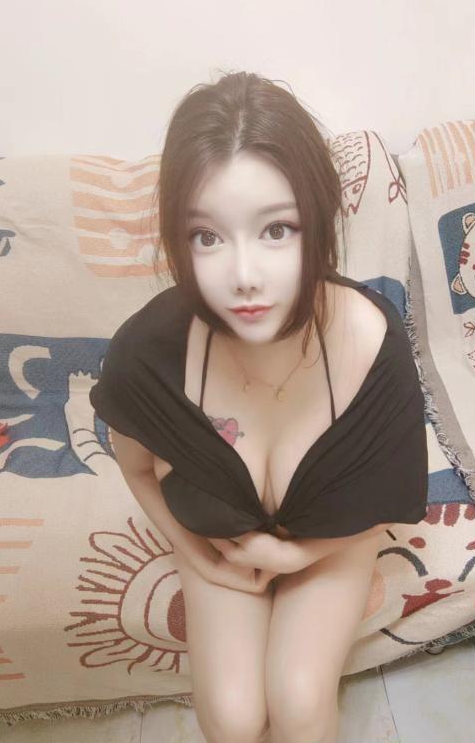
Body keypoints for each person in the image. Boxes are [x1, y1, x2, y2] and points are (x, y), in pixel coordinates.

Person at [94, 69, 428, 743]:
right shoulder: (148, 353)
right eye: (208, 237)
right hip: (219, 542)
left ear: (317, 223)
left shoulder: (372, 344)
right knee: (234, 717)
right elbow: (135, 468)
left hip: (331, 546)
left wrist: (296, 560)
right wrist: (195, 555)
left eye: (276, 230)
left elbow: (383, 503)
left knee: (299, 704)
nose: (244, 275)